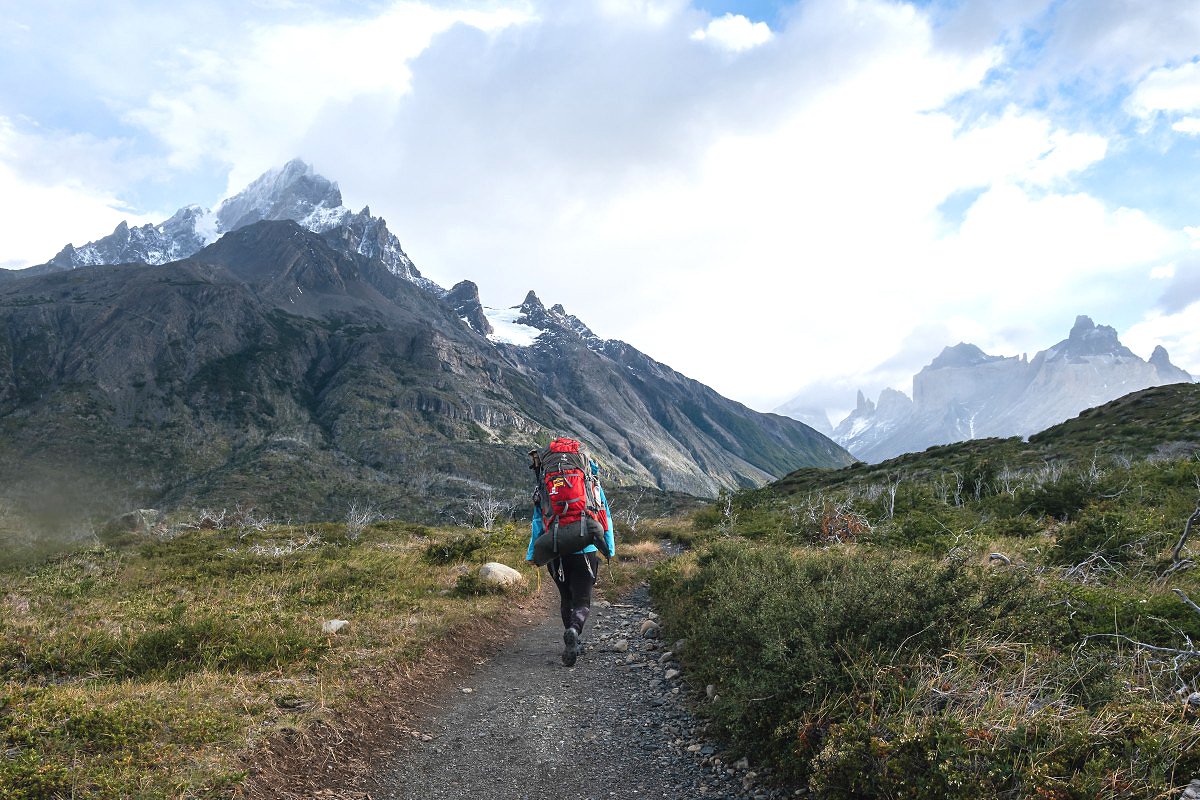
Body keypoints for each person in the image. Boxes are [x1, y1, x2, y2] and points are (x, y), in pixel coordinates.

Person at [526, 456, 616, 667]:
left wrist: (533, 554)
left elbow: (538, 521)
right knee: (582, 601)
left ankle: (572, 638)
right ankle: (574, 631)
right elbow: (605, 517)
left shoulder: (545, 487)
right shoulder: (592, 486)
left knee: (566, 597)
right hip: (587, 550)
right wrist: (609, 549)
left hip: (557, 550)